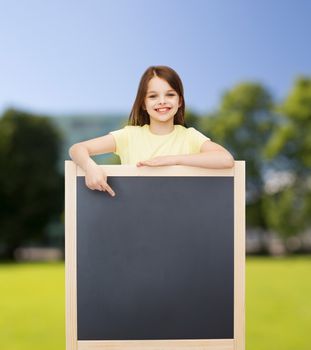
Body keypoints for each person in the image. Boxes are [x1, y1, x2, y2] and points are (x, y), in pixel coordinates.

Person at [69, 65, 234, 197]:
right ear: (143, 103)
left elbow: (226, 159)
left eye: (170, 94)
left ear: (180, 101)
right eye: (153, 96)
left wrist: (172, 160)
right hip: (136, 222)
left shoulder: (189, 136)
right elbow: (77, 149)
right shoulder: (129, 136)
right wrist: (90, 167)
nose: (162, 102)